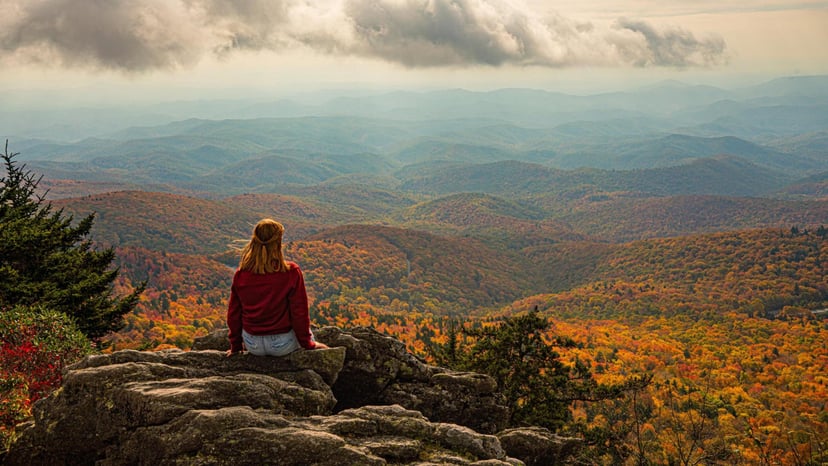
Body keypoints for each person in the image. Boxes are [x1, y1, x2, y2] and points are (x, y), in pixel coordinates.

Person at [226, 218, 328, 356]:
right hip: (282, 343)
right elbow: (299, 313)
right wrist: (308, 344)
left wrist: (236, 347)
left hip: (252, 344)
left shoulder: (241, 273)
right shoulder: (290, 271)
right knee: (313, 339)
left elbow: (234, 314)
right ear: (278, 243)